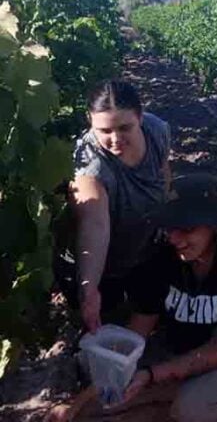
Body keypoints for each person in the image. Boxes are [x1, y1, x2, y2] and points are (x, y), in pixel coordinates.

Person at [45, 173, 217, 422]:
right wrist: (77, 404)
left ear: (215, 226)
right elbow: (137, 333)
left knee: (194, 407)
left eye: (186, 229)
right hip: (188, 356)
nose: (174, 238)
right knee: (101, 406)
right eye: (171, 227)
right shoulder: (161, 256)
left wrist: (152, 374)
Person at [54, 80, 172, 332]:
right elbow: (95, 225)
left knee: (149, 307)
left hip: (144, 244)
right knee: (101, 324)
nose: (115, 139)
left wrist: (165, 218)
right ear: (90, 121)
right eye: (104, 130)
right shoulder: (89, 164)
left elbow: (163, 173)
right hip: (100, 262)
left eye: (125, 127)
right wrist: (89, 290)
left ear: (140, 117)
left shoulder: (156, 131)